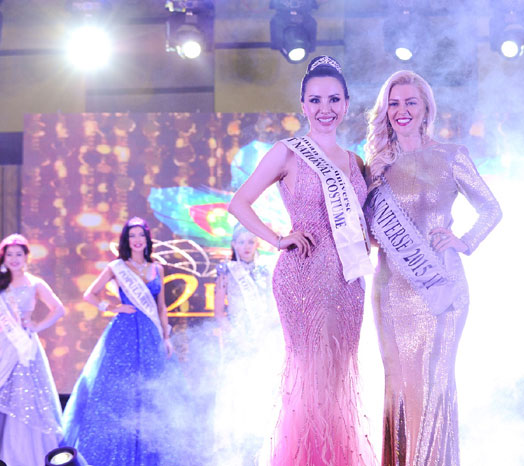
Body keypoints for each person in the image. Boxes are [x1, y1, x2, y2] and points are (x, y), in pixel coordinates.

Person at [228, 55, 376, 465]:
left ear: (347, 103)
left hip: (348, 281)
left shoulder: (356, 162)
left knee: (339, 375)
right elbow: (238, 203)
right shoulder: (287, 153)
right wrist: (279, 239)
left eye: (334, 99)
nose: (325, 108)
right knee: (311, 376)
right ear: (303, 105)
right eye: (315, 100)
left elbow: (364, 224)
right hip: (304, 275)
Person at [364, 70, 502, 465]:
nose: (401, 110)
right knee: (398, 385)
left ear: (426, 108)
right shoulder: (377, 164)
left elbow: (491, 209)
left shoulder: (451, 156)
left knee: (431, 384)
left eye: (410, 102)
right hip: (390, 288)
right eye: (393, 103)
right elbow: (367, 231)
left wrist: (465, 241)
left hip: (439, 286)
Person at [61, 217, 174, 466]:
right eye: (132, 236)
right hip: (124, 333)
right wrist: (112, 307)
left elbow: (161, 306)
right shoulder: (117, 267)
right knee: (119, 391)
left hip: (151, 334)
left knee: (151, 391)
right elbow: (89, 294)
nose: (137, 240)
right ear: (126, 240)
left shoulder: (157, 268)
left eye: (141, 235)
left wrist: (166, 337)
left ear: (147, 239)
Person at [212, 224, 281, 463]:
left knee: (261, 390)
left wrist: (265, 332)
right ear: (233, 245)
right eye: (241, 242)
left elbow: (273, 308)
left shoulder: (265, 270)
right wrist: (236, 336)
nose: (246, 247)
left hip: (262, 339)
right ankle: (236, 447)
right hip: (237, 341)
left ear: (257, 244)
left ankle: (260, 444)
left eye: (250, 241)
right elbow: (219, 314)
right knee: (235, 392)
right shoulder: (226, 271)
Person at [0, 234, 65, 466]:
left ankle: (23, 456)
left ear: (26, 257)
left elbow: (58, 309)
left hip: (24, 348)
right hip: (2, 345)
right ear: (3, 257)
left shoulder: (35, 283)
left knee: (26, 398)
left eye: (19, 254)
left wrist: (37, 326)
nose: (14, 259)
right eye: (10, 254)